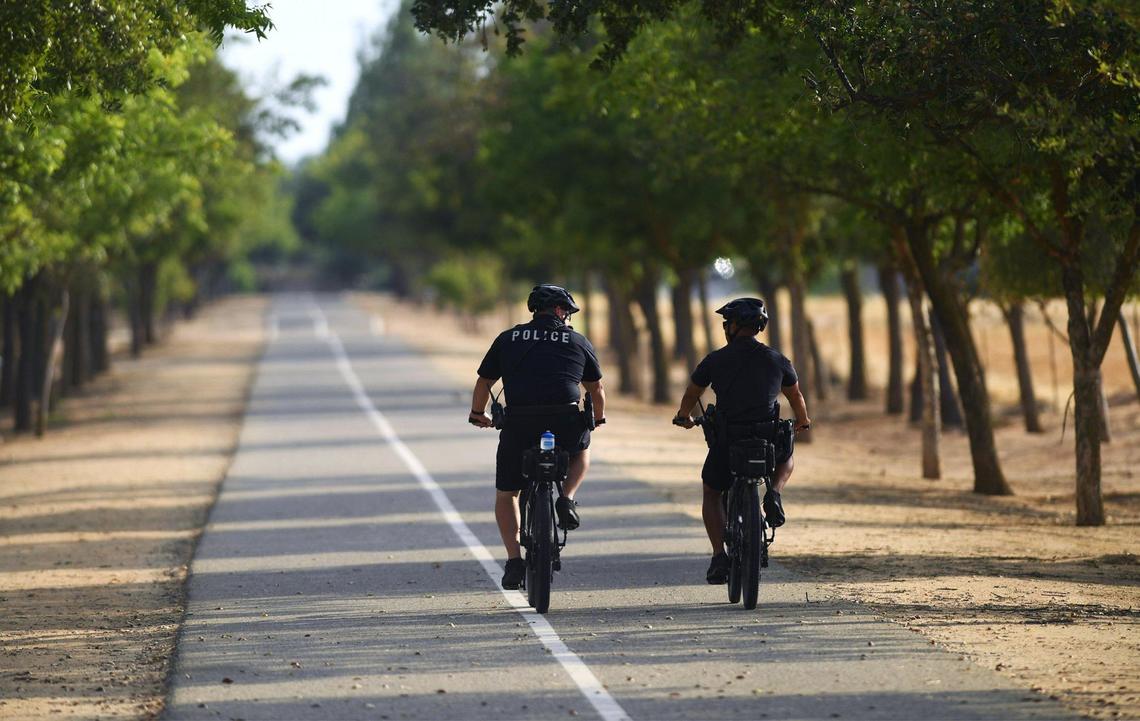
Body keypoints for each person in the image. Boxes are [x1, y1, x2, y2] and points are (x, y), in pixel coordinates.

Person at [469, 284, 606, 590]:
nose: (569, 318)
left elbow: (484, 382)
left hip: (520, 423)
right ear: (559, 311)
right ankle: (567, 499)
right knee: (582, 451)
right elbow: (596, 390)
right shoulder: (577, 340)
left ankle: (514, 561)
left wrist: (478, 414)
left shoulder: (508, 338)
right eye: (568, 313)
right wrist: (597, 418)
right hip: (566, 421)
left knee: (508, 494)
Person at [672, 297, 810, 585]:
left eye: (727, 323)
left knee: (711, 490)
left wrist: (684, 416)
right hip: (766, 436)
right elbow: (795, 396)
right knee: (786, 457)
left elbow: (692, 393)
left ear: (733, 327)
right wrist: (802, 421)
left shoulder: (715, 360)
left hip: (729, 438)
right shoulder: (777, 359)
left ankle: (718, 556)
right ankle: (774, 492)